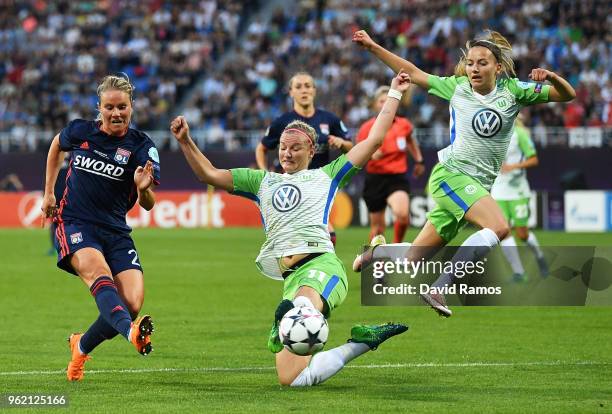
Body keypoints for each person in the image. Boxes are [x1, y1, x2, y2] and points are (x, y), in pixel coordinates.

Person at [171, 71, 411, 387]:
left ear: (311, 151)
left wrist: (393, 93)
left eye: (295, 148)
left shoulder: (328, 175)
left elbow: (375, 139)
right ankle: (364, 341)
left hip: (321, 267)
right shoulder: (261, 181)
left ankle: (286, 316)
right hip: (291, 279)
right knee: (292, 380)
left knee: (301, 305)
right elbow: (209, 175)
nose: (286, 153)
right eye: (283, 147)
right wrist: (186, 141)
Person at [352, 29, 575, 317]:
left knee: (412, 260)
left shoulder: (515, 91)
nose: (474, 69)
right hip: (451, 176)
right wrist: (372, 47)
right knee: (498, 227)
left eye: (482, 63)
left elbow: (567, 95)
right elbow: (411, 71)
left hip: (477, 184)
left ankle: (375, 255)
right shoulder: (456, 87)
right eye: (470, 63)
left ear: (498, 66)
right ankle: (439, 287)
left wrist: (554, 78)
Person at [41, 74, 160, 381]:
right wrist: (49, 192)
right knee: (99, 275)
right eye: (109, 107)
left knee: (132, 302)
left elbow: (148, 204)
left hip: (116, 231)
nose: (116, 113)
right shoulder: (81, 131)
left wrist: (144, 189)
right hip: (74, 223)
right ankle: (130, 334)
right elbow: (56, 145)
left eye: (122, 107)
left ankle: (80, 345)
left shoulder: (142, 147)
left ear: (131, 107)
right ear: (100, 107)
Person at [255, 71, 353, 246]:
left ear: (314, 90)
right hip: (291, 185)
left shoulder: (330, 120)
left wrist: (342, 143)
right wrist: (264, 173)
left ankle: (313, 267)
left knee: (324, 235)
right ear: (291, 92)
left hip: (318, 185)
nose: (304, 90)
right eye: (298, 87)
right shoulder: (282, 122)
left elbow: (352, 150)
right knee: (322, 234)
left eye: (308, 86)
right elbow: (261, 148)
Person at [356, 85, 425, 244]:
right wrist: (371, 154)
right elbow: (358, 152)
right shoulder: (367, 128)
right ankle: (375, 259)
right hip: (375, 178)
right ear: (374, 105)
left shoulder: (404, 124)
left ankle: (396, 246)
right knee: (378, 229)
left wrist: (419, 159)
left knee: (402, 215)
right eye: (381, 101)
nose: (384, 104)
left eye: (388, 100)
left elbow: (410, 140)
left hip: (397, 177)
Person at [490, 114, 548, 281]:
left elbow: (534, 159)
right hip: (499, 190)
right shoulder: (492, 134)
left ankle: (539, 257)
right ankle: (519, 272)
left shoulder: (520, 134)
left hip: (518, 191)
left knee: (522, 233)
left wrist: (513, 166)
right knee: (502, 230)